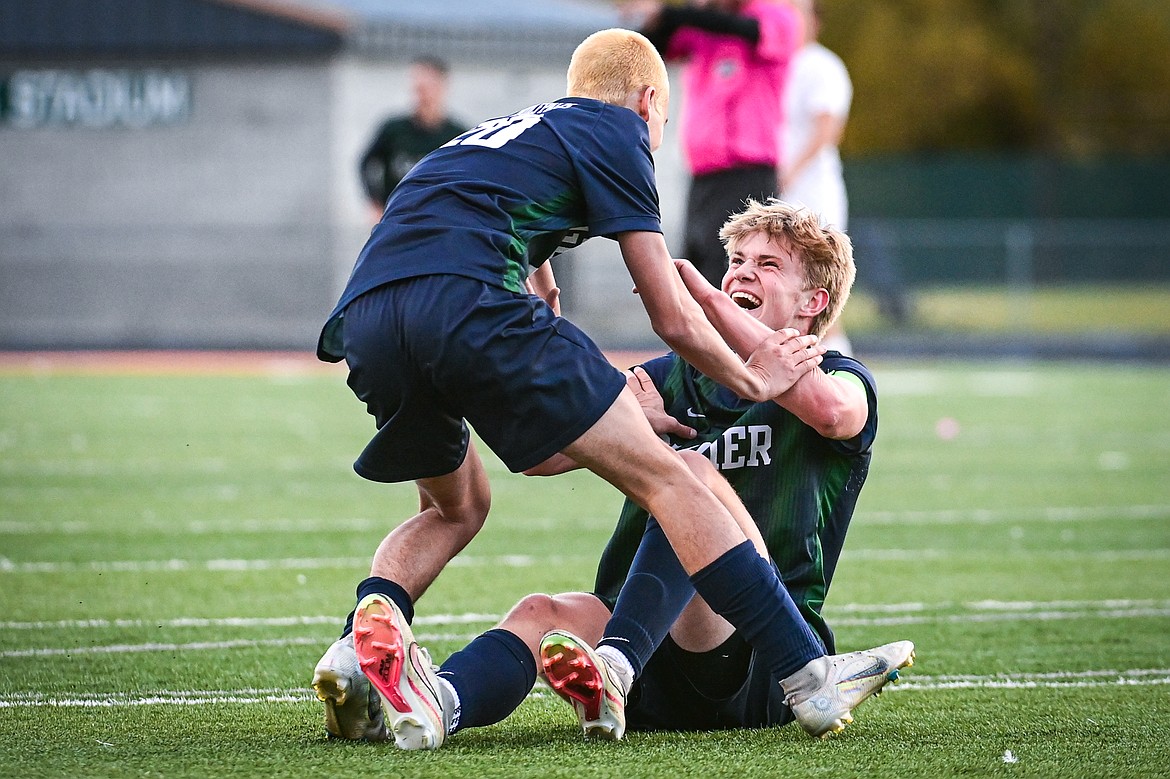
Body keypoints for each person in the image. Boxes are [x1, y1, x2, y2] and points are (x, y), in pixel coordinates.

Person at [310, 28, 899, 752]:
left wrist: (550, 283)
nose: (741, 271)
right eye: (735, 259)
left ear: (815, 302)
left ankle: (360, 648)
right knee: (670, 481)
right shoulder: (618, 133)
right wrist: (732, 371)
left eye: (766, 265)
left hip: (370, 312)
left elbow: (831, 410)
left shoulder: (839, 375)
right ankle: (786, 673)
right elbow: (668, 315)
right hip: (469, 302)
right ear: (650, 101)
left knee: (458, 506)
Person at [627, 0, 804, 286]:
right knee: (695, 272)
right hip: (703, 174)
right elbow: (654, 49)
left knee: (733, 273)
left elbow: (748, 29)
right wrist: (660, 18)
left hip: (746, 172)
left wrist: (678, 13)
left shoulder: (775, 15)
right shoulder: (703, 26)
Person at [779, 0, 855, 353]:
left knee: (819, 285)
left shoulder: (822, 66)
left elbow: (827, 129)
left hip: (813, 194)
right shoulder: (776, 63)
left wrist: (789, 170)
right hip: (779, 196)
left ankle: (843, 372)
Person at [358, 55, 467, 223]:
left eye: (426, 88)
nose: (421, 96)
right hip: (397, 218)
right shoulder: (394, 129)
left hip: (438, 222)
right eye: (417, 89)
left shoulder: (458, 135)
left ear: (442, 87)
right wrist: (374, 203)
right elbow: (366, 162)